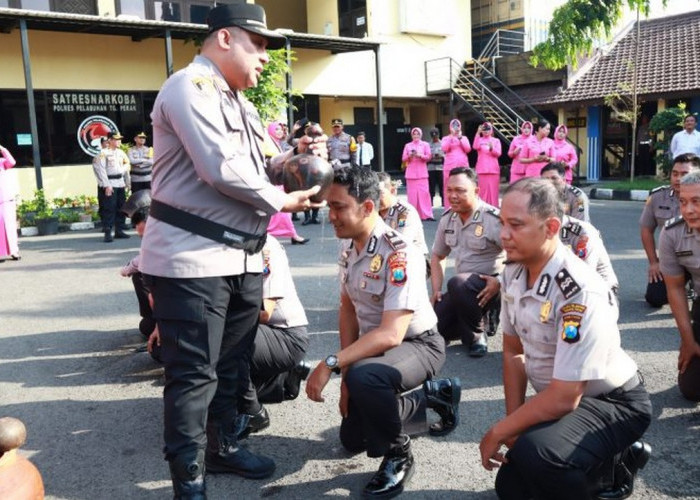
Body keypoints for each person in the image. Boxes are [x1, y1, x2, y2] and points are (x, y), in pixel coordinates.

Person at [138, 4, 325, 497]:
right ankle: (189, 478)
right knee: (194, 373)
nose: (265, 57)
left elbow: (265, 159)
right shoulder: (188, 87)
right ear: (224, 38)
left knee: (233, 362)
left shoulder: (240, 103)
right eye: (257, 44)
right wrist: (283, 198)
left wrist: (298, 163)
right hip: (191, 260)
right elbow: (220, 167)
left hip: (241, 257)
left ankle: (224, 446)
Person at [480, 178, 652, 500]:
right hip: (571, 400)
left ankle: (612, 472)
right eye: (502, 223)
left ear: (551, 227)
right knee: (511, 488)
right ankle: (603, 461)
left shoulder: (579, 289)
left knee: (539, 455)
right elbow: (513, 353)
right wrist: (513, 426)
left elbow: (564, 397)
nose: (503, 234)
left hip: (614, 402)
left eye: (515, 225)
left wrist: (499, 431)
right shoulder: (514, 274)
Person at [305, 166, 460, 499]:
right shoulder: (348, 245)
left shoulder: (398, 252)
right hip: (376, 349)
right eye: (329, 206)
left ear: (367, 208)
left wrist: (330, 363)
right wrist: (345, 377)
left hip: (417, 344)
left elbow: (391, 334)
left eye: (338, 207)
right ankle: (433, 396)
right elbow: (347, 309)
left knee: (367, 379)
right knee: (353, 439)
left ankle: (398, 453)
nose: (331, 215)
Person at [234, 234, 311, 439]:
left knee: (223, 338)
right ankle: (279, 379)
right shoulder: (225, 238)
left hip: (284, 335)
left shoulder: (264, 246)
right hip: (257, 332)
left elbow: (265, 312)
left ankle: (252, 412)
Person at [430, 167, 505, 357]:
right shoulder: (448, 219)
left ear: (476, 191)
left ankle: (477, 334)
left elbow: (519, 256)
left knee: (457, 282)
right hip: (464, 290)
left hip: (492, 285)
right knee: (433, 326)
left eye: (460, 191)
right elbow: (438, 256)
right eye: (449, 190)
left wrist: (500, 282)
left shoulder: (493, 219)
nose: (453, 196)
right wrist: (436, 291)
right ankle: (477, 318)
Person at [659, 169, 700, 402]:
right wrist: (688, 341)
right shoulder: (672, 233)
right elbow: (674, 288)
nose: (689, 210)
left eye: (697, 201)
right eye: (683, 202)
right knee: (692, 388)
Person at [640, 153, 699, 307]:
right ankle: (682, 284)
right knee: (655, 297)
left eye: (684, 174)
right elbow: (646, 229)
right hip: (674, 257)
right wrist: (654, 263)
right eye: (675, 174)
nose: (678, 178)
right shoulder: (657, 197)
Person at [119, 189, 157, 342]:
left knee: (139, 275)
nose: (136, 229)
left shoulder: (160, 232)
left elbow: (145, 259)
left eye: (136, 223)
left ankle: (157, 321)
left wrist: (128, 268)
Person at [265, 121, 309, 244]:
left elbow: (290, 145)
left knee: (283, 214)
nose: (280, 131)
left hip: (279, 182)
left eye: (281, 129)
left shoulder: (278, 144)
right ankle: (292, 235)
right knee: (281, 213)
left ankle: (292, 235)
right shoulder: (266, 145)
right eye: (276, 129)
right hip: (272, 183)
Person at [377, 172, 429, 256]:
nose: (375, 199)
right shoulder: (372, 211)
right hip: (384, 258)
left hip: (412, 260)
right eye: (372, 194)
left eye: (380, 193)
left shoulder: (405, 212)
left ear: (392, 191)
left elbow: (400, 245)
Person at [93, 132, 131, 242]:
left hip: (120, 182)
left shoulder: (121, 153)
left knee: (121, 207)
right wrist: (106, 185)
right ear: (109, 140)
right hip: (110, 183)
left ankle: (119, 230)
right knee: (109, 208)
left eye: (119, 139)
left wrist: (128, 182)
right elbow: (101, 171)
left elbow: (127, 166)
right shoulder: (103, 153)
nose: (118, 141)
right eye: (116, 139)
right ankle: (108, 232)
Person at [401, 127, 434, 221]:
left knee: (424, 194)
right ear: (412, 135)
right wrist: (409, 156)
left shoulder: (425, 144)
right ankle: (413, 215)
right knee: (412, 196)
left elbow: (429, 157)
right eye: (414, 134)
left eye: (417, 134)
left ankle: (426, 214)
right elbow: (403, 158)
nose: (416, 136)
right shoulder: (408, 145)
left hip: (422, 173)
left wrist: (420, 155)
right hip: (411, 174)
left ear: (420, 135)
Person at [441, 118, 471, 207]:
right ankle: (448, 207)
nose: (455, 128)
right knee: (449, 185)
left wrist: (460, 138)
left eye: (457, 126)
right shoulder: (446, 138)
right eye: (453, 126)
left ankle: (464, 204)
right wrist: (451, 137)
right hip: (450, 165)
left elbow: (468, 149)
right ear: (450, 127)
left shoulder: (464, 138)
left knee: (463, 184)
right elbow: (444, 148)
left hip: (462, 164)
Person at [473, 122, 503, 207]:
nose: (486, 131)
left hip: (493, 170)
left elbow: (498, 153)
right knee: (482, 192)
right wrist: (478, 133)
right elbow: (475, 147)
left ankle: (494, 209)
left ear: (491, 130)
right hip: (482, 170)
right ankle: (481, 209)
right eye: (484, 129)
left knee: (493, 191)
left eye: (488, 129)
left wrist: (492, 148)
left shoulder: (496, 141)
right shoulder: (480, 140)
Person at [0, 144, 19, 262]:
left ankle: (14, 251)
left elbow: (12, 162)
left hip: (6, 199)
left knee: (10, 226)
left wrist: (2, 149)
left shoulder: (1, 162)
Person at [427, 127, 445, 206]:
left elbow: (447, 155)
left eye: (436, 136)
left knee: (442, 186)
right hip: (431, 167)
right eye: (433, 136)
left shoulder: (443, 144)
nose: (435, 138)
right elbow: (426, 155)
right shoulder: (428, 145)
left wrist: (441, 155)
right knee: (431, 187)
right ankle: (430, 203)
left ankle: (444, 202)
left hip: (440, 167)